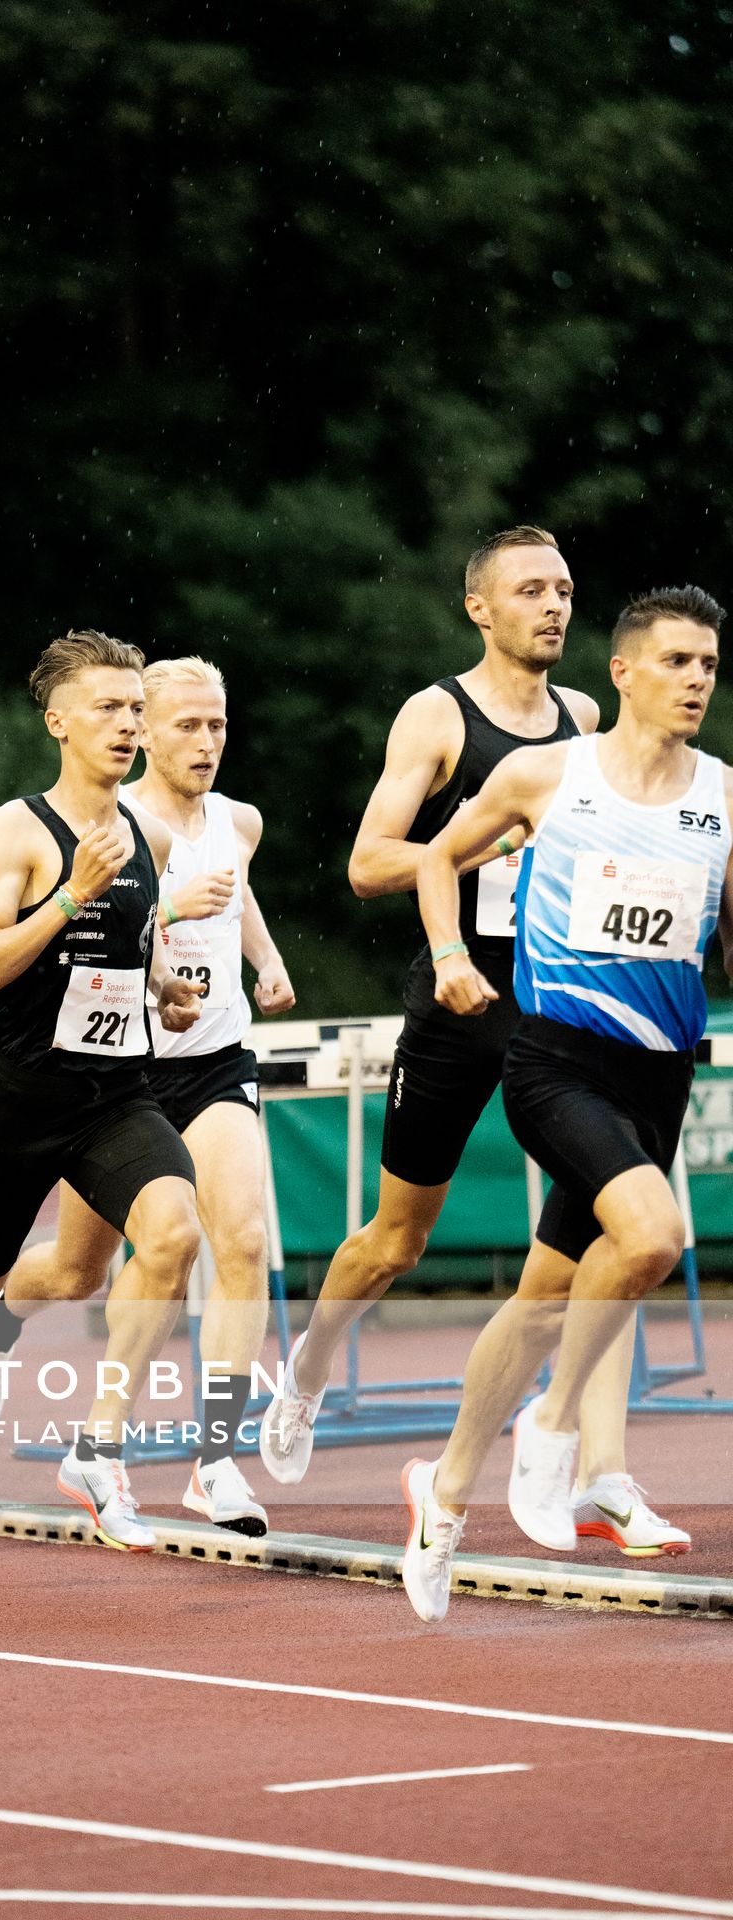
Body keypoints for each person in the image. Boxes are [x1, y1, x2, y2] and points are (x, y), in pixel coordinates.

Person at [259, 527, 688, 1555]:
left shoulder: (587, 721)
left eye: (564, 589)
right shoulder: (437, 717)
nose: (552, 606)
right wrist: (486, 840)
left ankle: (603, 1475)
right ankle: (309, 1370)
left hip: (567, 1006)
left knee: (613, 1237)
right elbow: (365, 863)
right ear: (478, 609)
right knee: (393, 1241)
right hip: (458, 996)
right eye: (529, 590)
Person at [400, 584, 729, 1621]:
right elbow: (437, 856)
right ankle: (549, 1435)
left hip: (658, 1073)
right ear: (623, 671)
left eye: (707, 666)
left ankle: (442, 1492)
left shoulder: (721, 793)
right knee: (649, 1238)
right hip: (553, 1062)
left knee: (544, 1296)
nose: (694, 681)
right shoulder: (548, 772)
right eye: (674, 662)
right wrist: (449, 954)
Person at [0, 628, 204, 1553]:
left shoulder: (153, 834)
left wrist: (162, 992)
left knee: (175, 1234)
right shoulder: (15, 830)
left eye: (137, 708)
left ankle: (97, 1450)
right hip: (19, 1102)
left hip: (116, 1097)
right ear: (58, 721)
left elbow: (117, 962)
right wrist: (66, 895)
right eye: (108, 707)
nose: (128, 724)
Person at [0, 655, 296, 1534]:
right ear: (144, 731)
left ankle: (210, 1461)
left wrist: (268, 961)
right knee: (77, 1271)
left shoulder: (240, 820)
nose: (205, 741)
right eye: (186, 724)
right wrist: (171, 914)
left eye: (218, 725)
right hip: (121, 1073)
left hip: (213, 1056)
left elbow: (242, 892)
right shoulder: (113, 822)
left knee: (242, 1241)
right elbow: (117, 928)